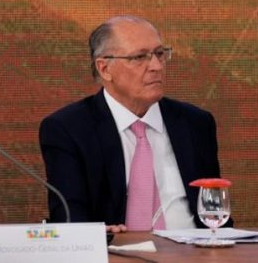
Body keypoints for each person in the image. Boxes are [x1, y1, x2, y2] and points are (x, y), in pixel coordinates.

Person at [39, 16, 220, 231]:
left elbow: (215, 211)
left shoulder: (195, 123)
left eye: (160, 54)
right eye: (139, 57)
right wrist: (97, 235)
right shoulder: (68, 129)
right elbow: (69, 217)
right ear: (105, 69)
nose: (156, 66)